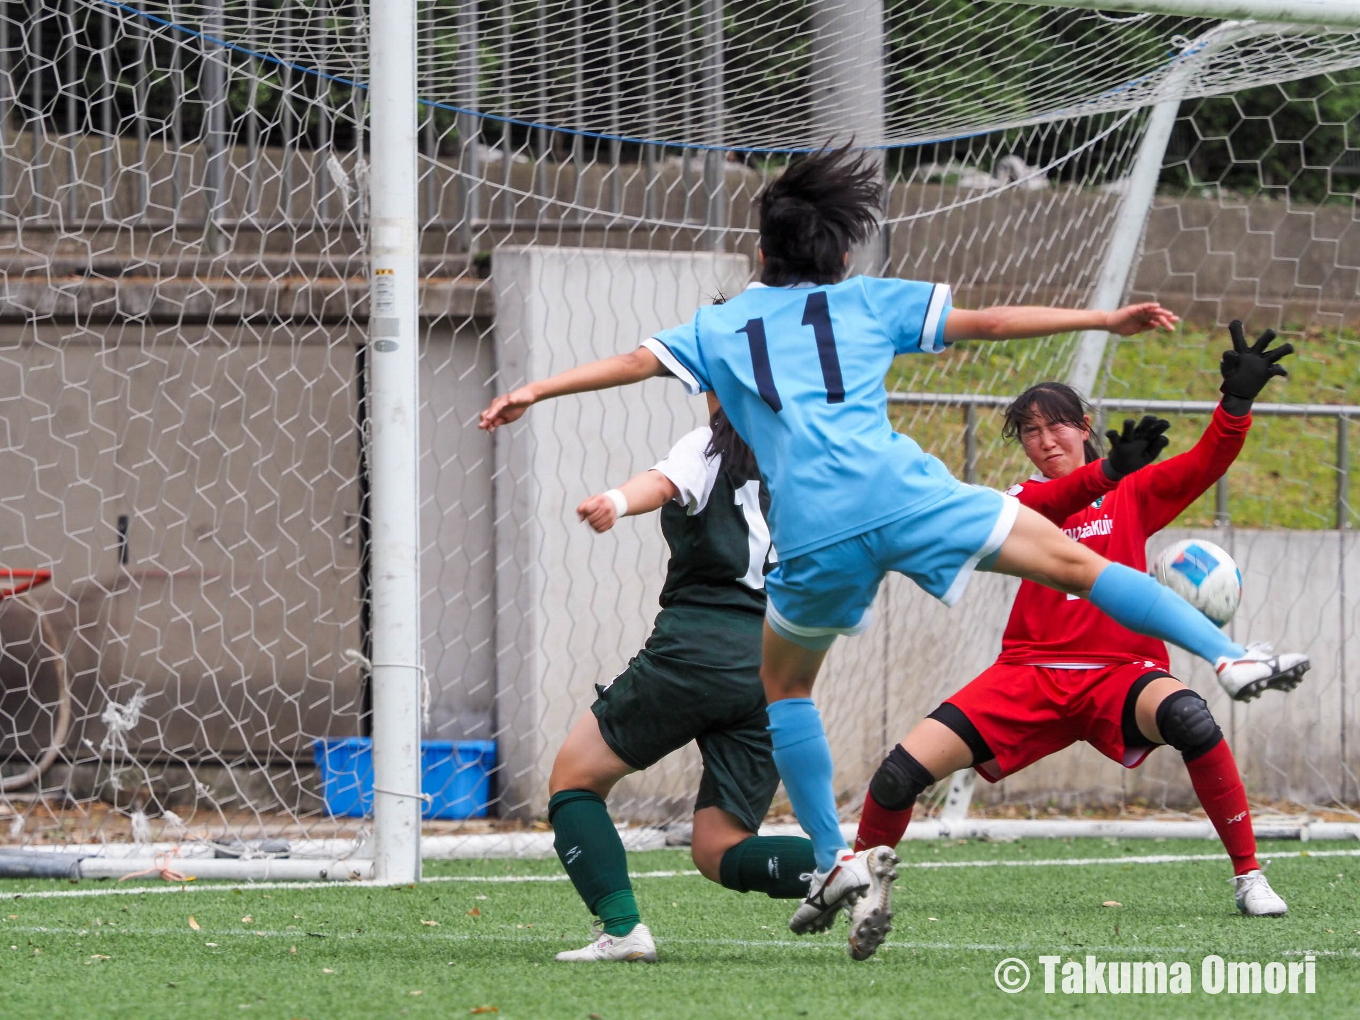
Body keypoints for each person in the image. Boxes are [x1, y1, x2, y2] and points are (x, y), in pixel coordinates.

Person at [478, 146, 1309, 960]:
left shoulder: (718, 326)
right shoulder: (867, 300)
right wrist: (1104, 317)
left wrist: (534, 390)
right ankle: (1230, 657)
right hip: (905, 495)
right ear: (842, 254)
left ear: (761, 252)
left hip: (815, 535)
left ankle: (835, 857)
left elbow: (629, 363)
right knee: (1083, 569)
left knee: (787, 688)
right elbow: (988, 322)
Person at [855, 321, 1303, 918]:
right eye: (1031, 432)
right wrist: (1105, 473)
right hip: (1027, 674)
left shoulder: (1134, 493)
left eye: (1056, 424)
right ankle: (852, 881)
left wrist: (1236, 403)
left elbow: (1205, 462)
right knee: (896, 777)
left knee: (1192, 720)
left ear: (1085, 425)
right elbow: (1048, 503)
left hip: (1121, 672)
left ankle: (1249, 878)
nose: (1044, 440)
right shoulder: (1018, 501)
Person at [550, 402, 819, 963]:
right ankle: (841, 867)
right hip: (774, 664)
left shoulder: (709, 446)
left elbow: (661, 482)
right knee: (719, 848)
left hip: (695, 651)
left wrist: (616, 501)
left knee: (574, 780)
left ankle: (623, 932)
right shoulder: (808, 460)